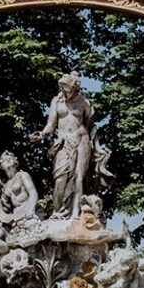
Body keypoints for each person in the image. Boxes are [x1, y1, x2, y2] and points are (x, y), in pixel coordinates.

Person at [30, 72, 114, 219]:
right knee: (60, 178)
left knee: (78, 177)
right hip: (63, 142)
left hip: (81, 140)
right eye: (62, 87)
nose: (64, 90)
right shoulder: (57, 101)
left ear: (74, 88)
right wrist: (42, 134)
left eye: (66, 87)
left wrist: (98, 148)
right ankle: (58, 211)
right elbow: (51, 124)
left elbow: (91, 128)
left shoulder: (84, 103)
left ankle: (76, 213)